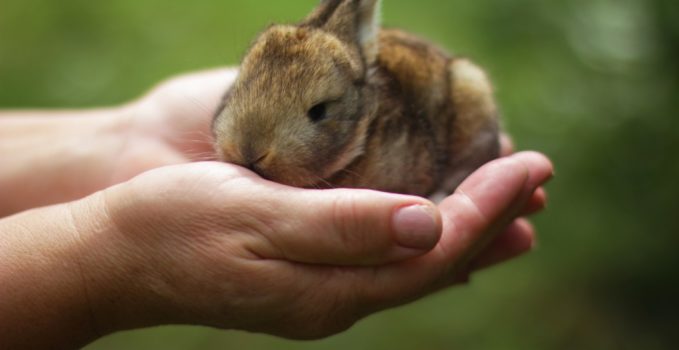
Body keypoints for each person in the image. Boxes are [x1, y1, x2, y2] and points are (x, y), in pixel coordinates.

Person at [0, 68, 553, 349]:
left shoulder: (390, 128)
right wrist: (93, 263)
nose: (253, 153)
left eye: (315, 113)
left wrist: (119, 136)